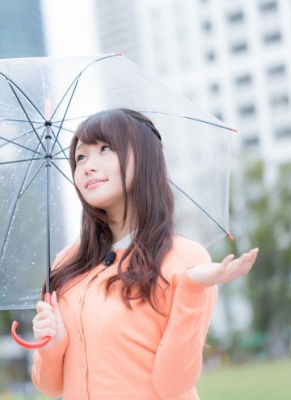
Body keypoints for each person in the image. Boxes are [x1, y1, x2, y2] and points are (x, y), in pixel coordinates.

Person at [30, 108, 258, 399]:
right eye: (80, 157)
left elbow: (173, 386)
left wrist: (191, 290)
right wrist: (52, 343)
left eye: (105, 148)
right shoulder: (67, 264)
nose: (87, 166)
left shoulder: (184, 260)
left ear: (144, 158)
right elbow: (50, 386)